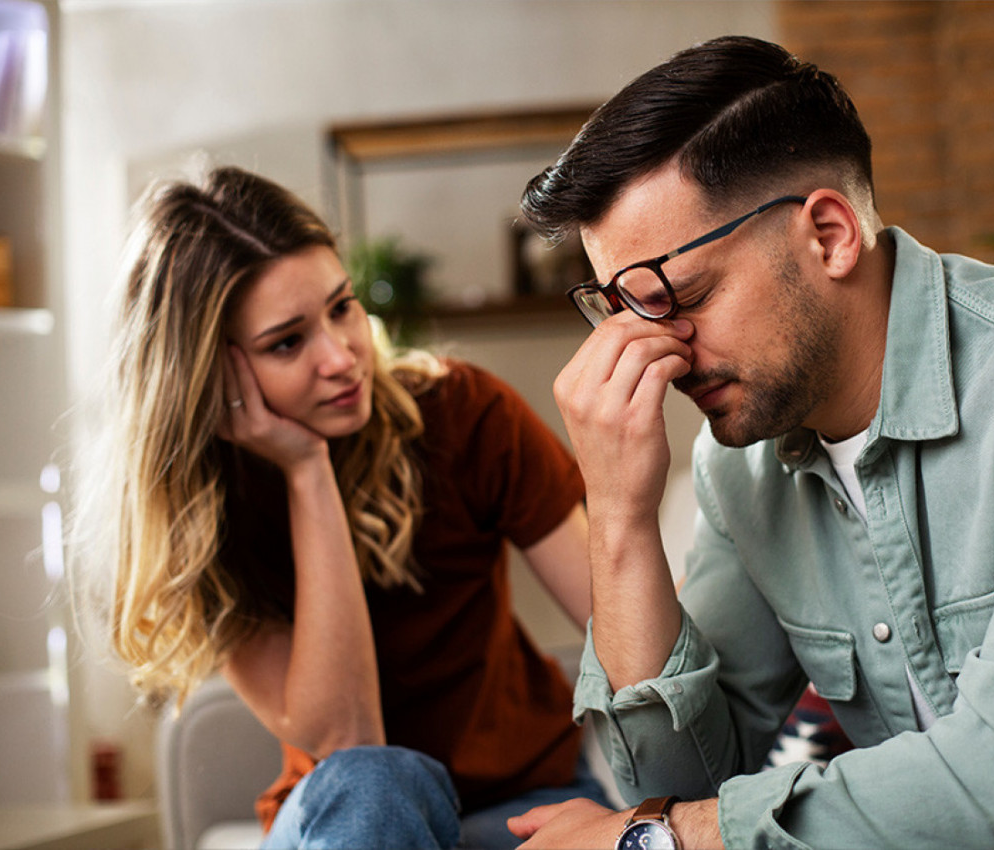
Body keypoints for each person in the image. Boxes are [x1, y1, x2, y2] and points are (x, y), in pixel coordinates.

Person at [507, 35, 994, 849]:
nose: (663, 352)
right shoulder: (743, 467)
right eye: (624, 313)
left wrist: (658, 840)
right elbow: (674, 788)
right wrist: (619, 517)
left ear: (828, 234)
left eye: (683, 296)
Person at [70, 165, 609, 849]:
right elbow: (347, 741)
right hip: (347, 816)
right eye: (287, 343)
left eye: (341, 306)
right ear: (210, 373)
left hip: (518, 801)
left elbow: (615, 622)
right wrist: (307, 472)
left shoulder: (462, 414)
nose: (342, 357)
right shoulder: (207, 514)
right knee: (374, 782)